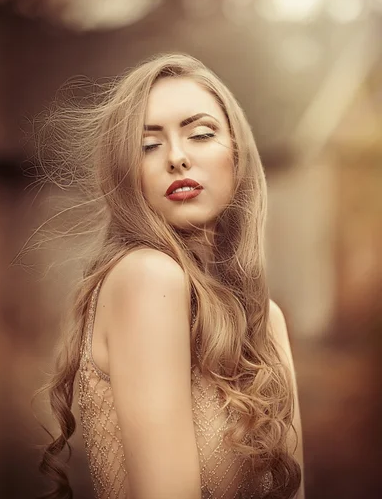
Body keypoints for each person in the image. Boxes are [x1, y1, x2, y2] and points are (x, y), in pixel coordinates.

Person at [38, 53, 304, 499]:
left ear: (237, 153)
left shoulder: (266, 321)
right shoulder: (147, 278)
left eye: (200, 134)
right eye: (148, 145)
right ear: (127, 175)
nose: (177, 157)